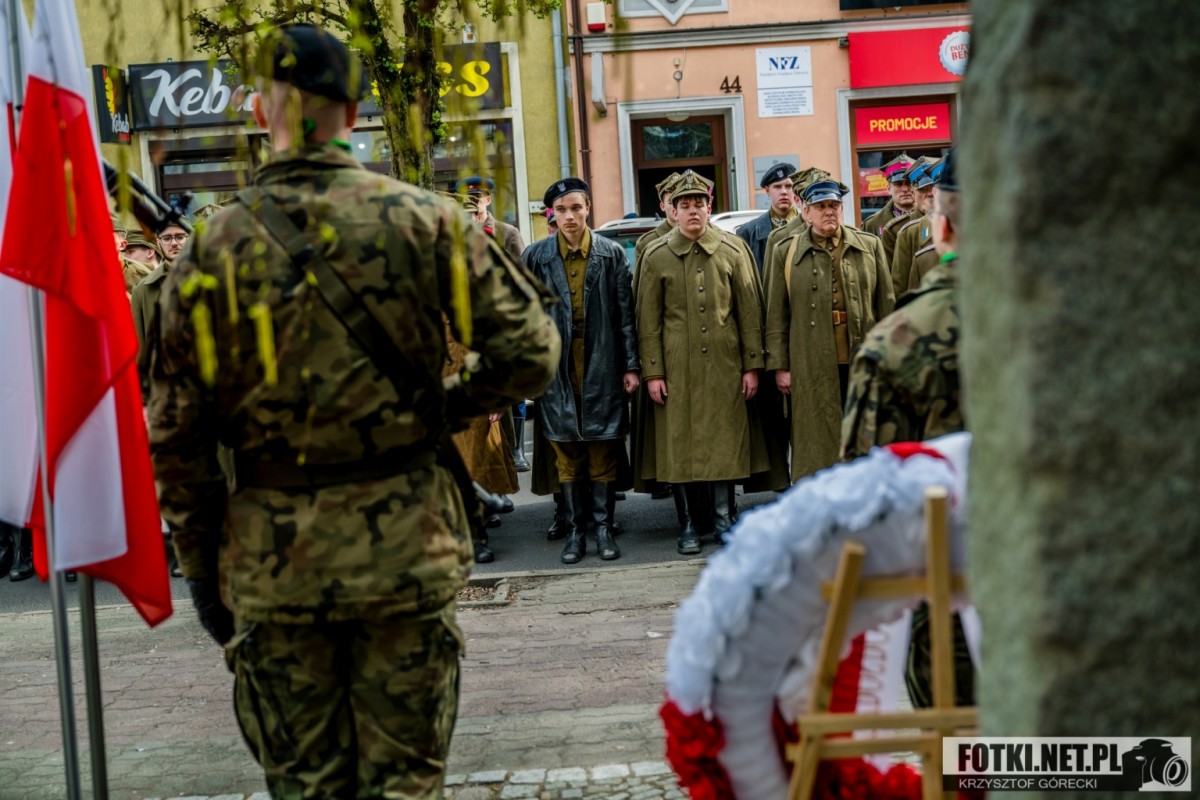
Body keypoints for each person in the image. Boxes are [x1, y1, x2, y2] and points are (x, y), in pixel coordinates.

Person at [147, 23, 559, 798]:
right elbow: (532, 353)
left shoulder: (213, 246)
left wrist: (203, 574)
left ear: (260, 108)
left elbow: (175, 433)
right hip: (405, 550)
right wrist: (444, 408)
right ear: (354, 108)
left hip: (274, 565)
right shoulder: (426, 220)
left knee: (305, 785)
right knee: (404, 784)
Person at [840, 147, 973, 709]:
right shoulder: (1096, 325)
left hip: (950, 604)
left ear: (940, 225)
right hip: (1085, 599)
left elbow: (866, 501)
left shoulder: (895, 343)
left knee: (964, 750)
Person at [636, 171, 768, 554]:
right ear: (673, 211)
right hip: (676, 368)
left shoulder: (733, 250)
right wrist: (653, 372)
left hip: (725, 366)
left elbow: (749, 313)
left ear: (710, 208)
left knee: (725, 442)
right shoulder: (656, 255)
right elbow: (647, 321)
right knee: (679, 445)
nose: (693, 210)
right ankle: (689, 524)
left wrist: (751, 366)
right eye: (685, 204)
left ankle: (724, 520)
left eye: (699, 203)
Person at [522, 177, 639, 564]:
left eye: (576, 207)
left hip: (601, 362)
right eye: (561, 210)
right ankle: (575, 531)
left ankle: (603, 529)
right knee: (567, 451)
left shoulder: (610, 253)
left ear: (588, 207)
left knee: (603, 447)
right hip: (557, 367)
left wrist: (631, 365)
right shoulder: (536, 257)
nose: (570, 216)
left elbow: (625, 316)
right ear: (551, 215)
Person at [765, 178, 894, 482]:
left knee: (864, 430)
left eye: (834, 205)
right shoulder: (785, 251)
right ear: (806, 212)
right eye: (821, 206)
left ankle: (864, 491)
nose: (829, 212)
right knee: (816, 435)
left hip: (861, 357)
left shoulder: (869, 245)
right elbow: (776, 314)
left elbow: (886, 306)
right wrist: (781, 366)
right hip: (809, 360)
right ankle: (821, 494)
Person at [736, 162, 798, 273]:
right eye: (777, 186)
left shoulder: (810, 226)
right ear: (767, 190)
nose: (784, 192)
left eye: (789, 186)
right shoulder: (747, 233)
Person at [455, 176, 525, 261]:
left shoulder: (509, 233)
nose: (472, 201)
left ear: (488, 200)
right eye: (468, 198)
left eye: (477, 196)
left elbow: (523, 265)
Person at [861, 153, 916, 237]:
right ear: (889, 189)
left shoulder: (932, 217)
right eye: (898, 184)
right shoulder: (872, 224)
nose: (905, 189)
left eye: (909, 183)